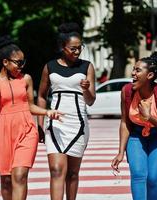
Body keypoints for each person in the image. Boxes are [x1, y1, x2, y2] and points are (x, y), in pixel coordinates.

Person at [0, 35, 62, 200]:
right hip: (3, 132)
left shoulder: (26, 79)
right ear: (5, 62)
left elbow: (30, 106)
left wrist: (47, 112)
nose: (22, 65)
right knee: (6, 180)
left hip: (26, 130)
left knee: (19, 176)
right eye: (18, 62)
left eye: (23, 61)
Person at [37, 22, 96, 200]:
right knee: (56, 171)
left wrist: (86, 89)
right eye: (73, 49)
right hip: (55, 125)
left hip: (78, 125)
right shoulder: (49, 67)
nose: (77, 52)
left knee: (72, 173)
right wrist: (40, 124)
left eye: (80, 48)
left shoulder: (87, 66)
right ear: (63, 47)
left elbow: (91, 101)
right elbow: (41, 96)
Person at [111, 52, 157, 200]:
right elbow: (124, 122)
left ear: (150, 75)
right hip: (136, 135)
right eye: (133, 69)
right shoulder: (126, 91)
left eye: (138, 70)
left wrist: (150, 118)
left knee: (153, 178)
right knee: (139, 175)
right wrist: (120, 152)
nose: (133, 73)